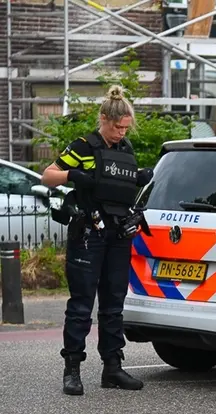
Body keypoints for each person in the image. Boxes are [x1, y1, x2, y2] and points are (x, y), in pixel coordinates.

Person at [41, 84, 154, 396]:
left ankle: (112, 368)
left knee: (114, 304)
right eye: (117, 127)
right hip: (89, 234)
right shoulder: (83, 146)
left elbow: (121, 186)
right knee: (80, 305)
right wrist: (72, 176)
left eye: (125, 128)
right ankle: (72, 369)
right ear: (104, 119)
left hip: (118, 233)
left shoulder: (124, 149)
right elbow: (47, 175)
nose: (121, 133)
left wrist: (138, 177)